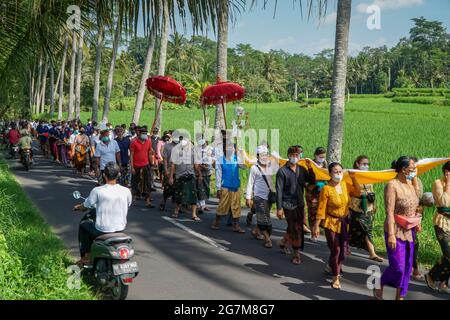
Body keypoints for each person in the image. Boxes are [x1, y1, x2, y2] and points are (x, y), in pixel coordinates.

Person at [374, 156, 422, 300]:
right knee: (398, 267)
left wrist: (417, 221)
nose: (414, 171)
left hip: (410, 230)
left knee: (407, 266)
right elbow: (389, 211)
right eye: (412, 168)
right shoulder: (392, 185)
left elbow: (416, 206)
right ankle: (379, 283)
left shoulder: (411, 184)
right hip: (395, 229)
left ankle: (400, 295)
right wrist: (391, 235)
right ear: (403, 169)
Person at [312, 162, 361, 289]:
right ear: (330, 173)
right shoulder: (326, 189)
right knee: (336, 250)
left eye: (340, 172)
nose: (338, 174)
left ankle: (330, 265)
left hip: (344, 222)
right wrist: (316, 226)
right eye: (335, 172)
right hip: (331, 223)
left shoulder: (345, 185)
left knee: (343, 251)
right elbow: (321, 208)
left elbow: (358, 192)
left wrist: (354, 177)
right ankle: (335, 277)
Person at [74, 162, 132, 266]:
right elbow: (128, 204)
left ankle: (86, 256)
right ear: (118, 175)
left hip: (102, 230)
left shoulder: (98, 191)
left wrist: (78, 207)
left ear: (104, 175)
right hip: (120, 229)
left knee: (84, 225)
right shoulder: (126, 191)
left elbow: (86, 205)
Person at [276, 146, 315, 265]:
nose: (294, 157)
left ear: (300, 156)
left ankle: (283, 242)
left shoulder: (302, 169)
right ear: (288, 156)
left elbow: (312, 181)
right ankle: (297, 253)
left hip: (299, 203)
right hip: (288, 204)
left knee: (295, 226)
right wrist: (279, 208)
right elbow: (279, 190)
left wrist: (310, 167)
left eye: (297, 155)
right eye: (292, 155)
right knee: (296, 228)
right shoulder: (282, 171)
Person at [348, 155, 383, 262]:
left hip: (368, 207)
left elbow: (371, 190)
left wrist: (374, 205)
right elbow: (357, 192)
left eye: (367, 164)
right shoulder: (350, 176)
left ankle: (372, 253)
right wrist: (353, 178)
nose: (366, 166)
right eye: (364, 164)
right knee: (354, 228)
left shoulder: (368, 176)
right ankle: (346, 246)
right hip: (356, 207)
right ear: (357, 164)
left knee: (368, 230)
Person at [425, 161, 450, 295]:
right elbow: (443, 202)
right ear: (446, 172)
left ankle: (443, 283)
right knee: (449, 254)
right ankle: (431, 275)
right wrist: (448, 184)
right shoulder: (438, 183)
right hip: (442, 223)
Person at [211, 142, 247, 233]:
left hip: (235, 186)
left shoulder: (237, 159)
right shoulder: (220, 160)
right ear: (224, 150)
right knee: (222, 205)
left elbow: (244, 166)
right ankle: (216, 221)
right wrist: (218, 189)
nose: (231, 150)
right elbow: (218, 175)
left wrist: (242, 155)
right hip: (225, 186)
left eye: (232, 148)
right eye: (229, 148)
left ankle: (236, 225)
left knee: (236, 206)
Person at [246, 145, 276, 248]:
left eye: (266, 155)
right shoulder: (254, 168)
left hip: (269, 196)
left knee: (266, 217)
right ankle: (267, 239)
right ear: (258, 156)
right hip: (259, 197)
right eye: (262, 155)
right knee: (264, 218)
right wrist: (248, 197)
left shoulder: (270, 166)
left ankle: (256, 231)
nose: (264, 157)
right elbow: (250, 183)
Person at [169, 136, 201, 221]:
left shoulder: (194, 151)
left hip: (191, 175)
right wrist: (171, 177)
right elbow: (173, 165)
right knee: (179, 194)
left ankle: (194, 214)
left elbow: (196, 165)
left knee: (193, 195)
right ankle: (176, 211)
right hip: (180, 175)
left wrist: (199, 174)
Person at [305, 147, 328, 242]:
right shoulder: (310, 165)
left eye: (323, 156)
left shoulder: (326, 164)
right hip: (312, 192)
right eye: (320, 156)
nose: (322, 158)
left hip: (323, 191)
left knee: (323, 211)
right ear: (315, 155)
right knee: (313, 212)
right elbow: (306, 179)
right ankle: (313, 233)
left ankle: (320, 229)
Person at [130, 127, 154, 208]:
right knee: (135, 183)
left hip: (146, 165)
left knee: (148, 183)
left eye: (145, 133)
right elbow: (131, 155)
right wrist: (132, 167)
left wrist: (152, 163)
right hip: (136, 166)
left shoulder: (148, 141)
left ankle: (148, 202)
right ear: (139, 133)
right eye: (143, 133)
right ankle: (132, 200)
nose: (144, 134)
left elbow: (150, 152)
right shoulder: (134, 142)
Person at [194, 134, 213, 214]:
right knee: (200, 188)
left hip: (208, 171)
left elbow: (213, 158)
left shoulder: (210, 149)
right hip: (199, 172)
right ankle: (199, 205)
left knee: (205, 188)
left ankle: (203, 205)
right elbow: (195, 162)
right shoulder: (196, 149)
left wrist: (210, 164)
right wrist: (201, 167)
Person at [160, 131, 176, 211]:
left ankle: (176, 206)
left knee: (177, 189)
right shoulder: (167, 146)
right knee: (167, 187)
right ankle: (163, 202)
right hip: (169, 169)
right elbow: (165, 159)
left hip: (178, 170)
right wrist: (165, 170)